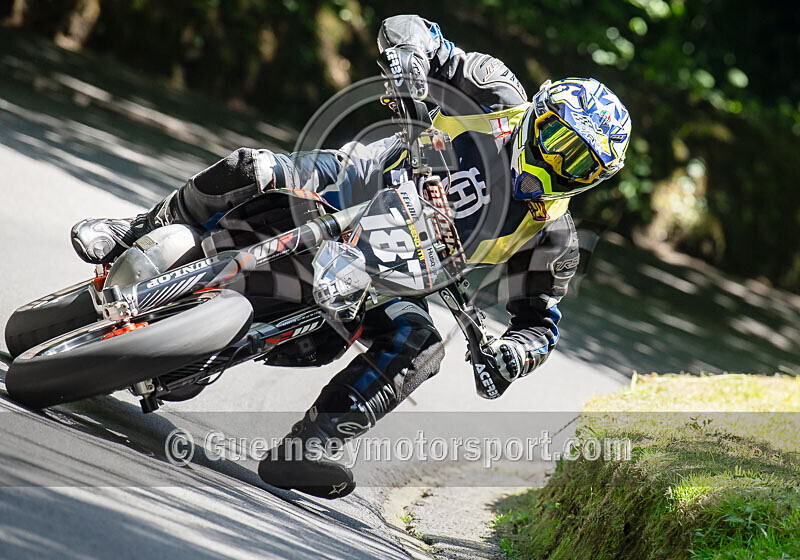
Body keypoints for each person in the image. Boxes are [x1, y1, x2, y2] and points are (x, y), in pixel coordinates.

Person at [70, 15, 630, 499]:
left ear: (593, 180)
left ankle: (310, 445)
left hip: (394, 275)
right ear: (542, 110)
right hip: (352, 185)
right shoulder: (495, 92)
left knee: (423, 346)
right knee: (253, 167)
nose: (559, 162)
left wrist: (512, 355)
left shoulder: (552, 235)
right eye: (558, 139)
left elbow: (540, 326)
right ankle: (137, 228)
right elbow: (414, 30)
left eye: (579, 164)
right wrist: (409, 60)